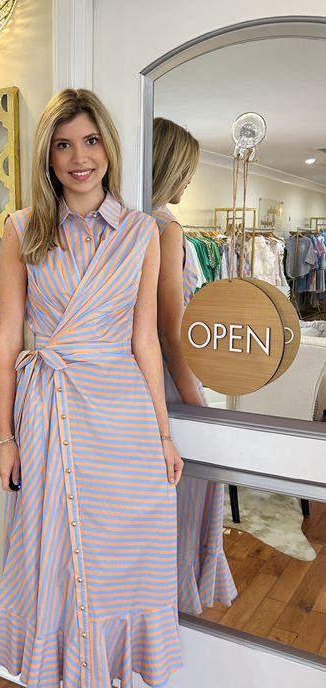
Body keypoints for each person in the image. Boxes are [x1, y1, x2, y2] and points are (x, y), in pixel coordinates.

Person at [0, 91, 184, 688]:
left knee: (112, 575)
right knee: (62, 573)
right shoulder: (24, 229)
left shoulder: (143, 234)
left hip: (120, 424)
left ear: (109, 148)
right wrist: (4, 436)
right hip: (50, 415)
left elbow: (144, 342)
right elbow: (8, 338)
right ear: (48, 156)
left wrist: (163, 431)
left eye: (90, 141)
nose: (79, 158)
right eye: (63, 145)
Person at [151, 117, 237, 615]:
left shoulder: (131, 221)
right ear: (172, 168)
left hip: (147, 377)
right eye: (187, 171)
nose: (189, 182)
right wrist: (195, 398)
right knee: (187, 491)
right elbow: (170, 326)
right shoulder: (167, 228)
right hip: (169, 379)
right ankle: (173, 601)